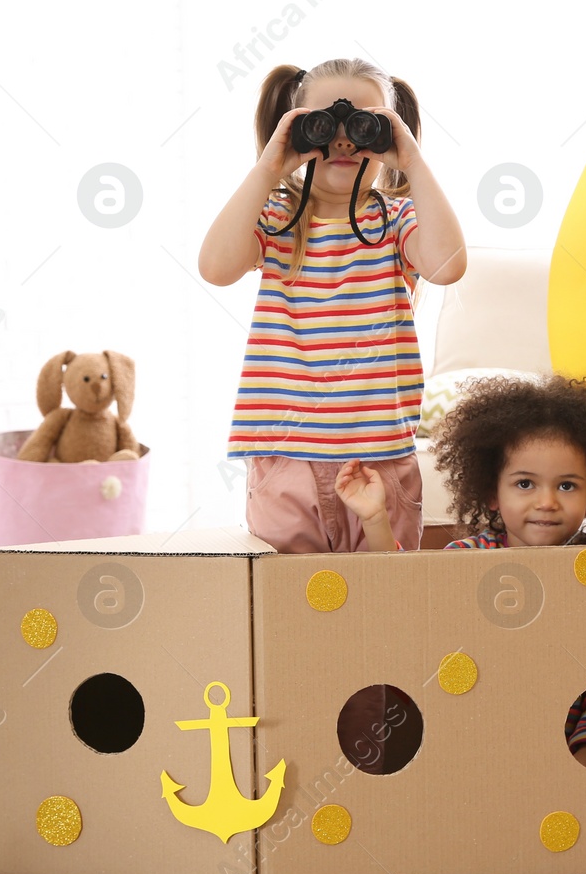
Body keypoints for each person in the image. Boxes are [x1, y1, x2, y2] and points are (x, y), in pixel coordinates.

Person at [199, 57, 466, 554]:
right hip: (285, 457)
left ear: (390, 133)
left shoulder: (396, 218)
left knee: (387, 599)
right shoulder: (280, 218)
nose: (344, 140)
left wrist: (411, 162)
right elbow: (216, 267)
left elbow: (447, 265)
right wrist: (269, 168)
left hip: (379, 453)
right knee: (290, 602)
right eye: (322, 125)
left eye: (366, 125)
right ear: (296, 130)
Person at [336, 373, 586, 772]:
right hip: (479, 727)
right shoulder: (471, 557)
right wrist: (375, 519)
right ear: (493, 493)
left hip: (568, 740)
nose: (546, 502)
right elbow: (407, 588)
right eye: (525, 483)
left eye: (567, 486)